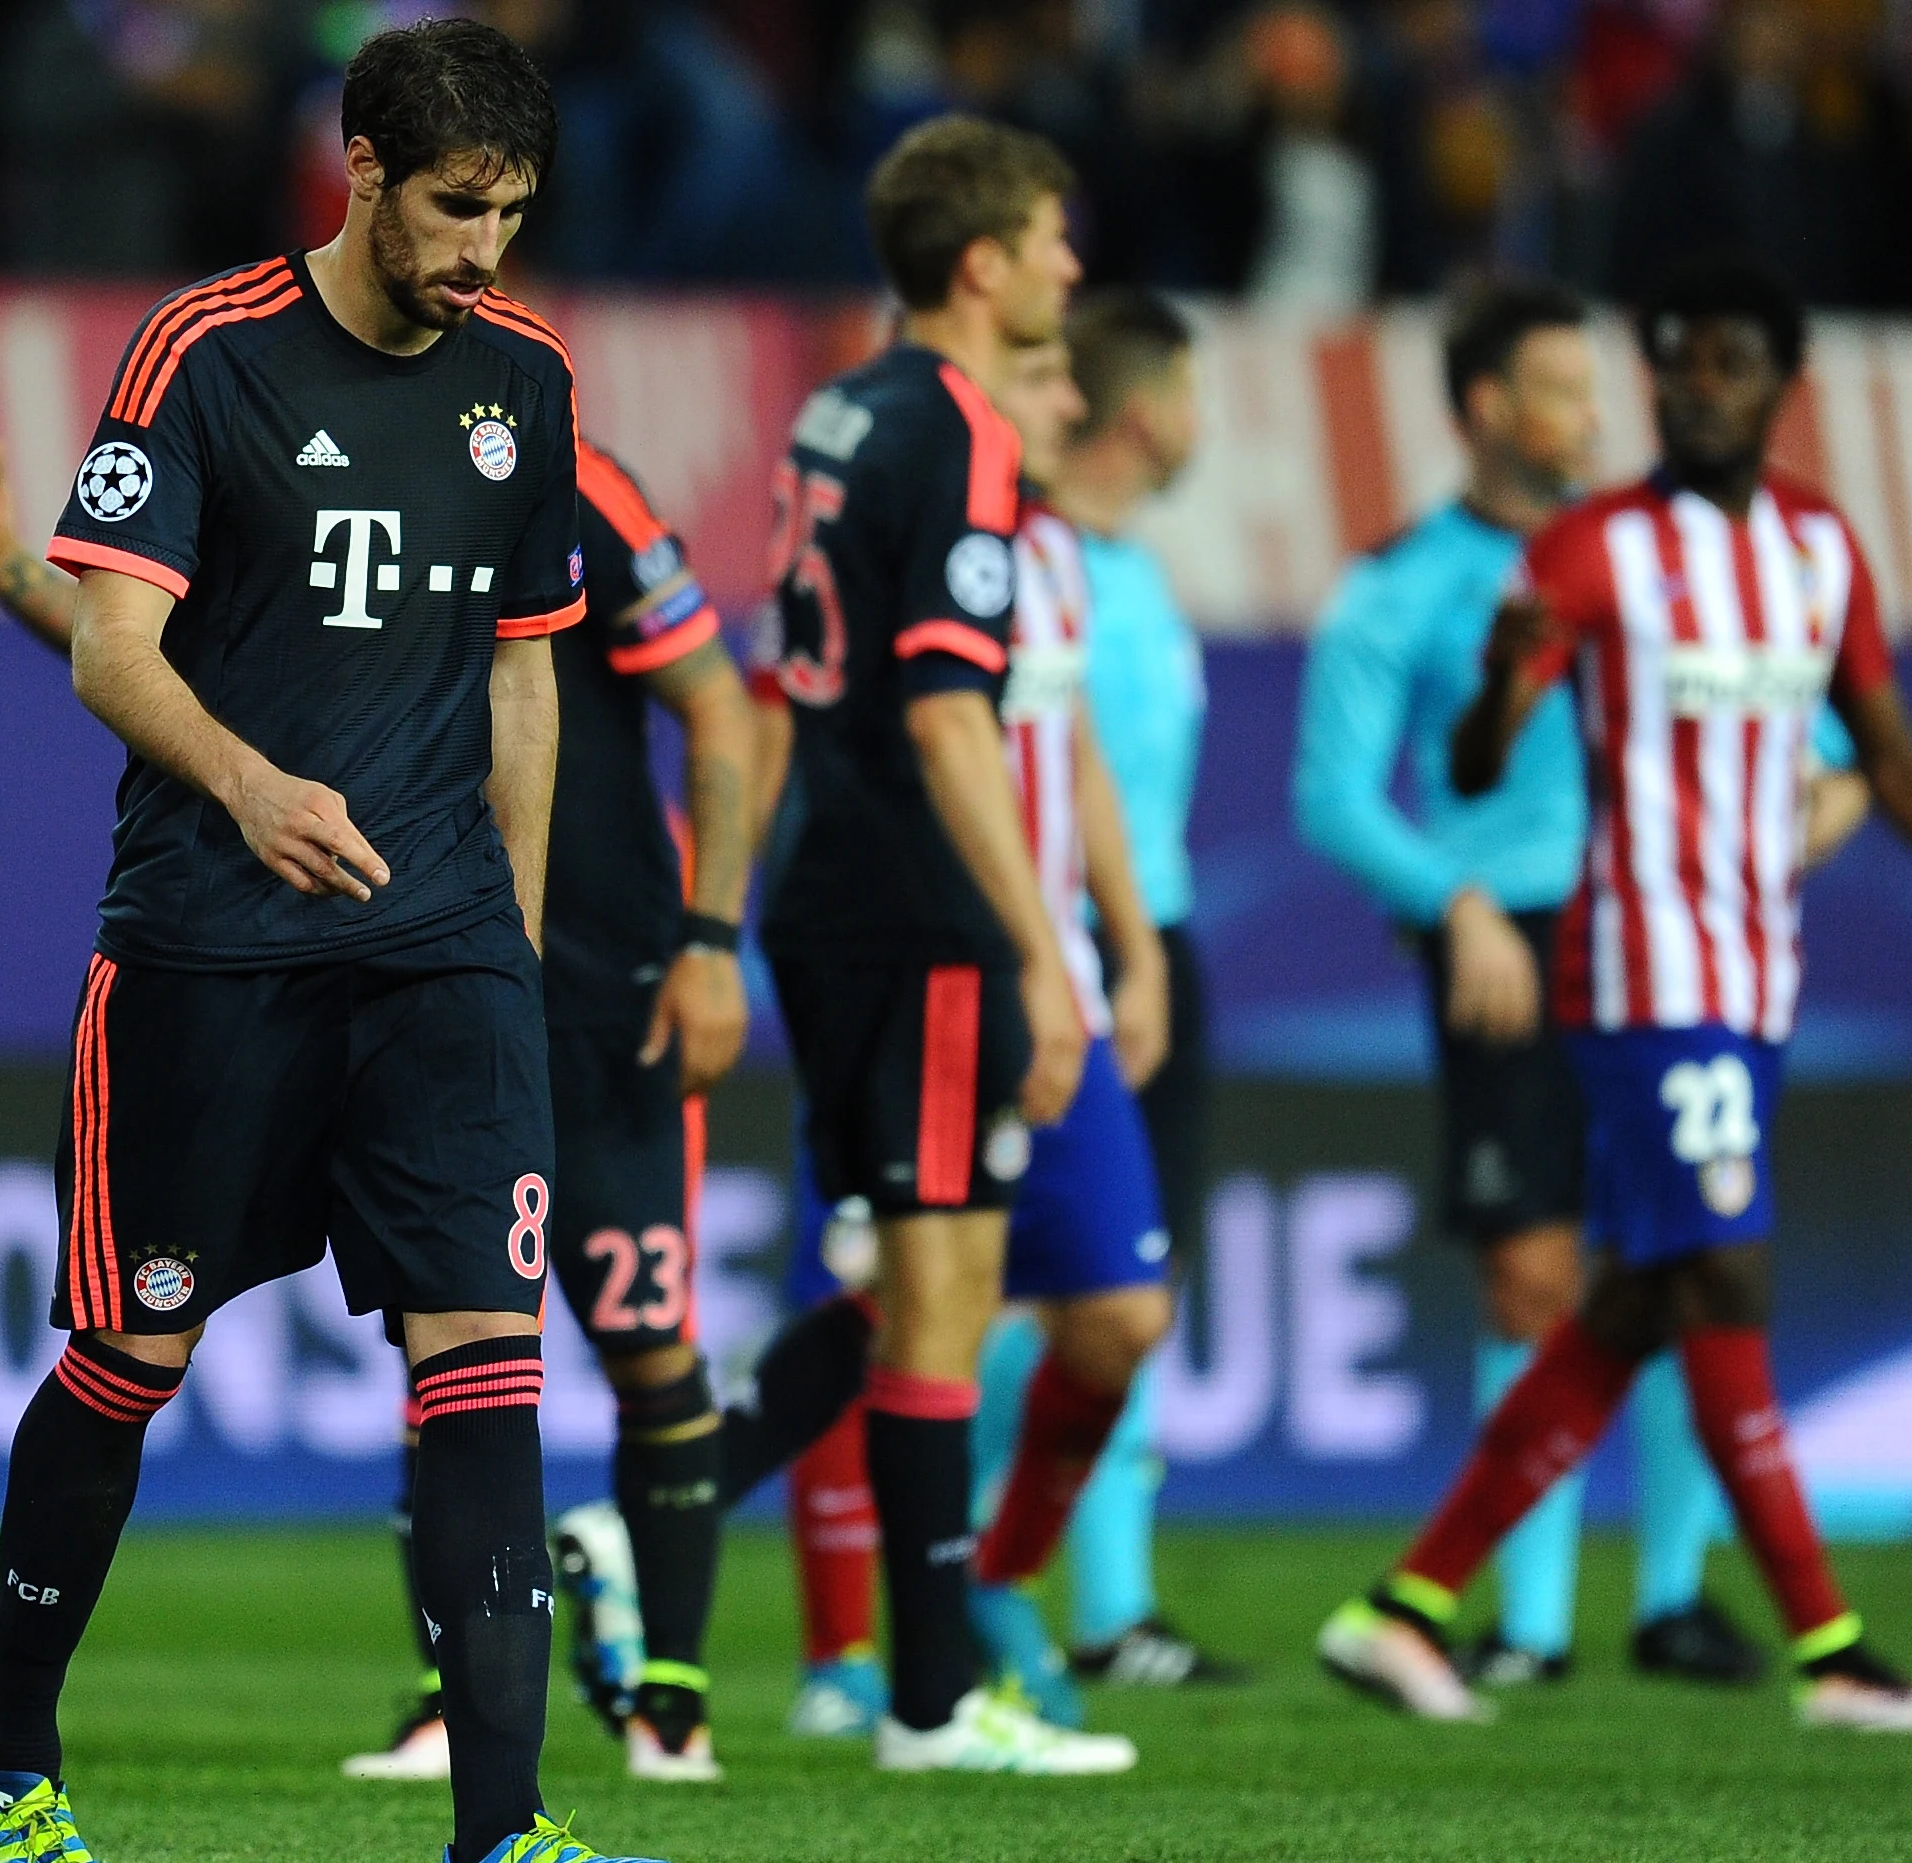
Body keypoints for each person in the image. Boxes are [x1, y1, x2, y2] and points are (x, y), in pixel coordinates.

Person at [0, 23, 659, 1863]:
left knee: (487, 1362)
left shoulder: (527, 379)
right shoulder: (206, 351)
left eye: (511, 211)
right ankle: (14, 1763)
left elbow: (526, 671)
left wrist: (504, 932)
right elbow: (115, 647)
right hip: (208, 947)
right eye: (452, 206)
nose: (483, 248)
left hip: (438, 953)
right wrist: (252, 787)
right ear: (356, 166)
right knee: (131, 1358)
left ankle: (503, 1832)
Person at [1318, 251, 1912, 1735]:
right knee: (1728, 1279)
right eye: (1679, 360)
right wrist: (1505, 690)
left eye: (1730, 359)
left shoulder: (1821, 548)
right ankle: (1829, 1647)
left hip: (1753, 976)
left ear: (1782, 381)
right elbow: (1466, 766)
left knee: (1634, 1305)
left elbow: (1890, 758)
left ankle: (1405, 1607)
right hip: (1641, 972)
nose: (1699, 383)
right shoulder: (1591, 550)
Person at [1299, 278, 1792, 1692]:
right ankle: (1528, 1624)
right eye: (1563, 388)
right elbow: (1333, 795)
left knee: (1696, 1259)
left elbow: (1817, 758)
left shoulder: (1664, 558)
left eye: (1596, 386)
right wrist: (1456, 904)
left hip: (1676, 951)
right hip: (1513, 942)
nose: (1595, 414)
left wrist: (1757, 854)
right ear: (1484, 409)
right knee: (1532, 1274)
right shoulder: (1400, 582)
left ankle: (1676, 1598)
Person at [755, 113, 1138, 1776]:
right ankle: (929, 1697)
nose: (1073, 264)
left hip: (827, 892)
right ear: (982, 263)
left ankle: (684, 1513)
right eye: (1054, 237)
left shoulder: (841, 407)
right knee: (939, 1289)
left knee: (916, 1278)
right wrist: (1038, 942)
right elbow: (945, 710)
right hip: (916, 913)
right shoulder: (968, 433)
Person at [339, 438, 760, 1787]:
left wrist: (709, 938)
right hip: (442, 978)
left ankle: (676, 1702)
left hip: (609, 997)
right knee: (448, 1341)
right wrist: (9, 572)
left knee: (649, 1340)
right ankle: (447, 1694)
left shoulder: (574, 475)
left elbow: (723, 708)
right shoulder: (343, 465)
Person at [1007, 285, 1247, 1693]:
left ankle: (1110, 1606)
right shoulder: (1046, 567)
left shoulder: (1134, 575)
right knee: (1051, 1288)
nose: (1199, 425)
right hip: (1064, 952)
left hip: (1156, 940)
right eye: (1193, 394)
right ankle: (993, 1585)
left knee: (1136, 1284)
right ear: (1144, 405)